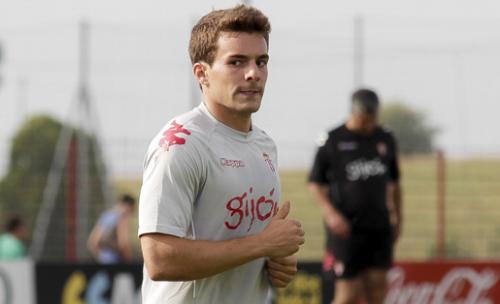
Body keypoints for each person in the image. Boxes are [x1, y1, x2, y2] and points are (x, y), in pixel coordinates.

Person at [138, 5, 305, 303]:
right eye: (237, 62)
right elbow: (160, 259)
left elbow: (245, 248)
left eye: (261, 61)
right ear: (202, 73)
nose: (253, 73)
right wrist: (261, 245)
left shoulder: (264, 145)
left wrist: (275, 262)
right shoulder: (180, 145)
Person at [307, 88, 402, 304]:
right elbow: (314, 183)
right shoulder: (333, 140)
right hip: (345, 230)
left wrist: (397, 218)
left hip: (378, 227)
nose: (368, 124)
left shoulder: (385, 139)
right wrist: (331, 214)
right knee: (347, 294)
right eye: (364, 119)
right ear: (354, 113)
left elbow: (395, 184)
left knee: (377, 292)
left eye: (372, 119)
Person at [87, 194, 136, 264]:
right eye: (132, 210)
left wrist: (103, 257)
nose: (131, 214)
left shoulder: (105, 216)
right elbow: (124, 244)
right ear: (127, 206)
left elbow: (92, 242)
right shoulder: (122, 218)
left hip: (104, 261)